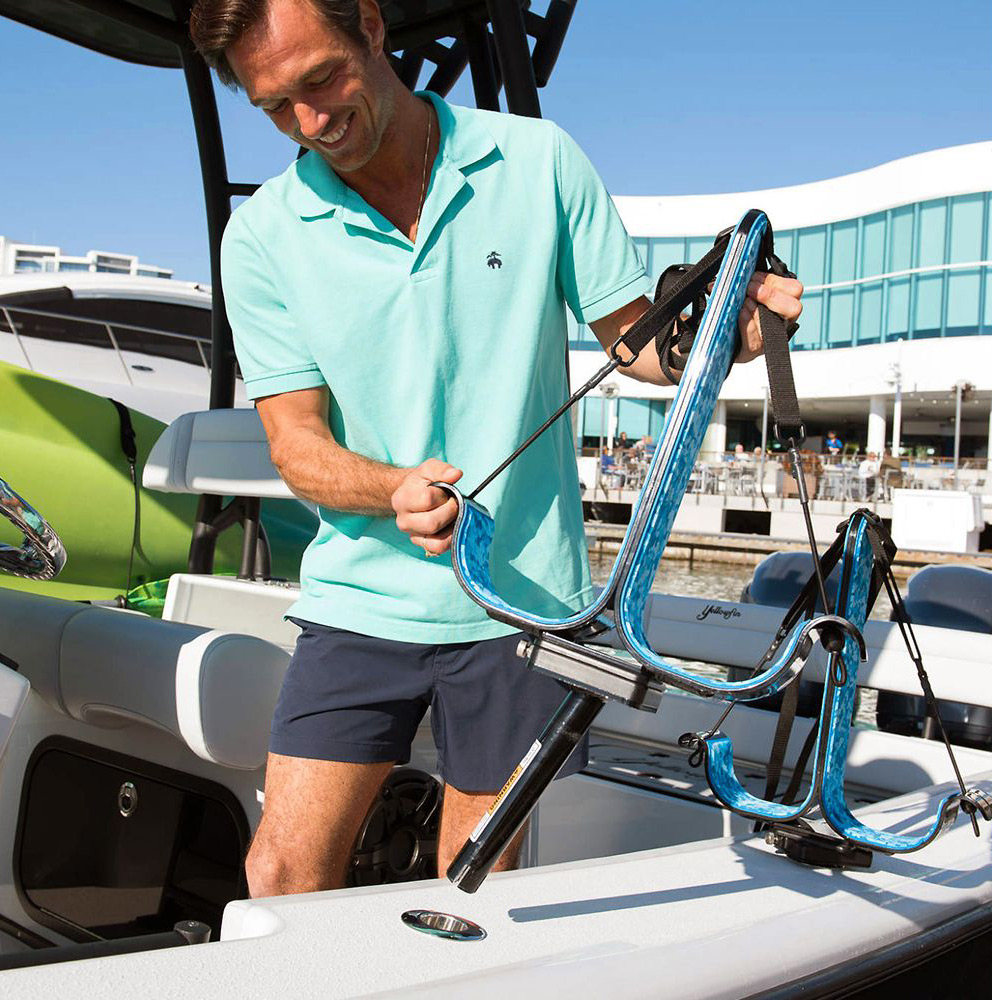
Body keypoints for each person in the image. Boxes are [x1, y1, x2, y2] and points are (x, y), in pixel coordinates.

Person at [188, 0, 804, 897]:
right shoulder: (260, 236)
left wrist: (733, 334)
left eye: (320, 79)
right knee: (279, 873)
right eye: (277, 106)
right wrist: (391, 487)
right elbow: (297, 446)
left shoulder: (538, 160)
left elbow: (635, 345)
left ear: (368, 25)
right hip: (360, 602)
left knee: (470, 891)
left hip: (526, 607)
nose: (311, 121)